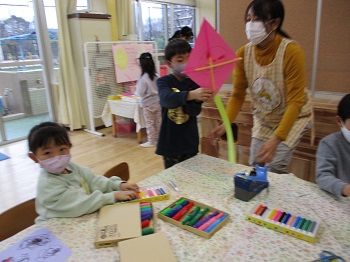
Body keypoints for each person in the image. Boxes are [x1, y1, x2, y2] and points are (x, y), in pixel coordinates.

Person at [210, 0, 313, 174]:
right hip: (265, 116)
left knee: (275, 166)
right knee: (256, 164)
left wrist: (276, 139)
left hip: (294, 116)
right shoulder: (243, 54)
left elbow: (296, 101)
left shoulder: (291, 52)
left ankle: (279, 199)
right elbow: (238, 94)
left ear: (275, 23)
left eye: (257, 19)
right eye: (248, 19)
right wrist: (226, 122)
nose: (251, 25)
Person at [28, 122, 139, 223]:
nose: (57, 157)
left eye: (62, 149)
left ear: (69, 147)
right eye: (47, 153)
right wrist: (112, 196)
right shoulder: (47, 183)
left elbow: (93, 180)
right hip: (55, 227)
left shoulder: (71, 166)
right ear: (34, 157)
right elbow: (78, 204)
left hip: (80, 217)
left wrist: (117, 185)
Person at [156, 39, 213, 168]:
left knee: (191, 178)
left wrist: (199, 99)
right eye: (180, 60)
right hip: (170, 143)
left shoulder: (194, 83)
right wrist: (193, 95)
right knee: (173, 181)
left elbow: (194, 111)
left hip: (189, 142)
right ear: (169, 64)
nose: (187, 63)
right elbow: (166, 99)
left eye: (189, 58)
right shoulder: (164, 81)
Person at [316, 94, 350, 197]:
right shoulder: (329, 144)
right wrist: (345, 189)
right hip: (340, 200)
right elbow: (323, 176)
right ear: (339, 121)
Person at [135, 52, 161, 148]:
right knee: (158, 122)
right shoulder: (157, 76)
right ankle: (159, 140)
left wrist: (135, 93)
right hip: (158, 102)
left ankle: (151, 141)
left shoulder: (143, 78)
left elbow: (140, 93)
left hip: (147, 104)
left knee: (150, 123)